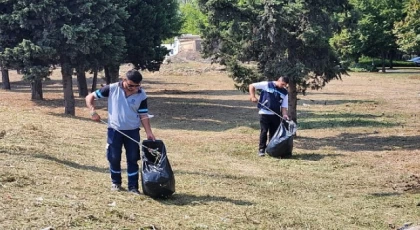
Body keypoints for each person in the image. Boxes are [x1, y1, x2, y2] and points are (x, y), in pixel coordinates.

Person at [85, 69, 155, 194]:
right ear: (124, 80)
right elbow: (89, 97)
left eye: (136, 86)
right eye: (130, 85)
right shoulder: (111, 88)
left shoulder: (141, 94)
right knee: (114, 157)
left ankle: (133, 187)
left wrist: (149, 132)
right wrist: (92, 111)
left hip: (132, 131)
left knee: (133, 158)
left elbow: (143, 114)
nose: (133, 88)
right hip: (114, 130)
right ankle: (116, 183)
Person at [249, 76, 289, 157]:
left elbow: (284, 106)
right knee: (264, 131)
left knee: (273, 133)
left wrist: (284, 115)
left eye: (285, 85)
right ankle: (261, 149)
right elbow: (252, 86)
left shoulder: (284, 92)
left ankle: (271, 149)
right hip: (264, 113)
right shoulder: (267, 84)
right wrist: (252, 96)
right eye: (282, 84)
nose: (283, 86)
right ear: (278, 81)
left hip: (276, 114)